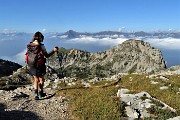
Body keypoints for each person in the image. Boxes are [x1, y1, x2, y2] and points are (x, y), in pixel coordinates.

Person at [28, 31, 58, 100]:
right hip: (40, 64)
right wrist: (54, 51)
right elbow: (47, 55)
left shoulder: (30, 45)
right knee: (41, 79)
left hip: (31, 64)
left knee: (35, 79)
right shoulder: (41, 46)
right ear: (40, 38)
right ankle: (40, 93)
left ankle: (36, 95)